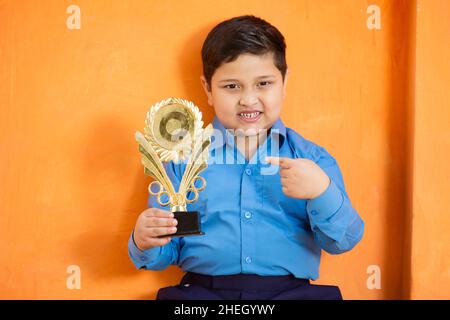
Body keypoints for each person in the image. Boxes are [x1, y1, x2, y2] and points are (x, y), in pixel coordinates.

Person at [128, 15, 364, 300]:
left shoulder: (311, 159)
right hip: (204, 293)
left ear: (284, 82)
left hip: (292, 293)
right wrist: (145, 240)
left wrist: (322, 191)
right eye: (232, 86)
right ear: (208, 89)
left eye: (263, 83)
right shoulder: (181, 160)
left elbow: (342, 241)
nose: (249, 100)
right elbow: (165, 254)